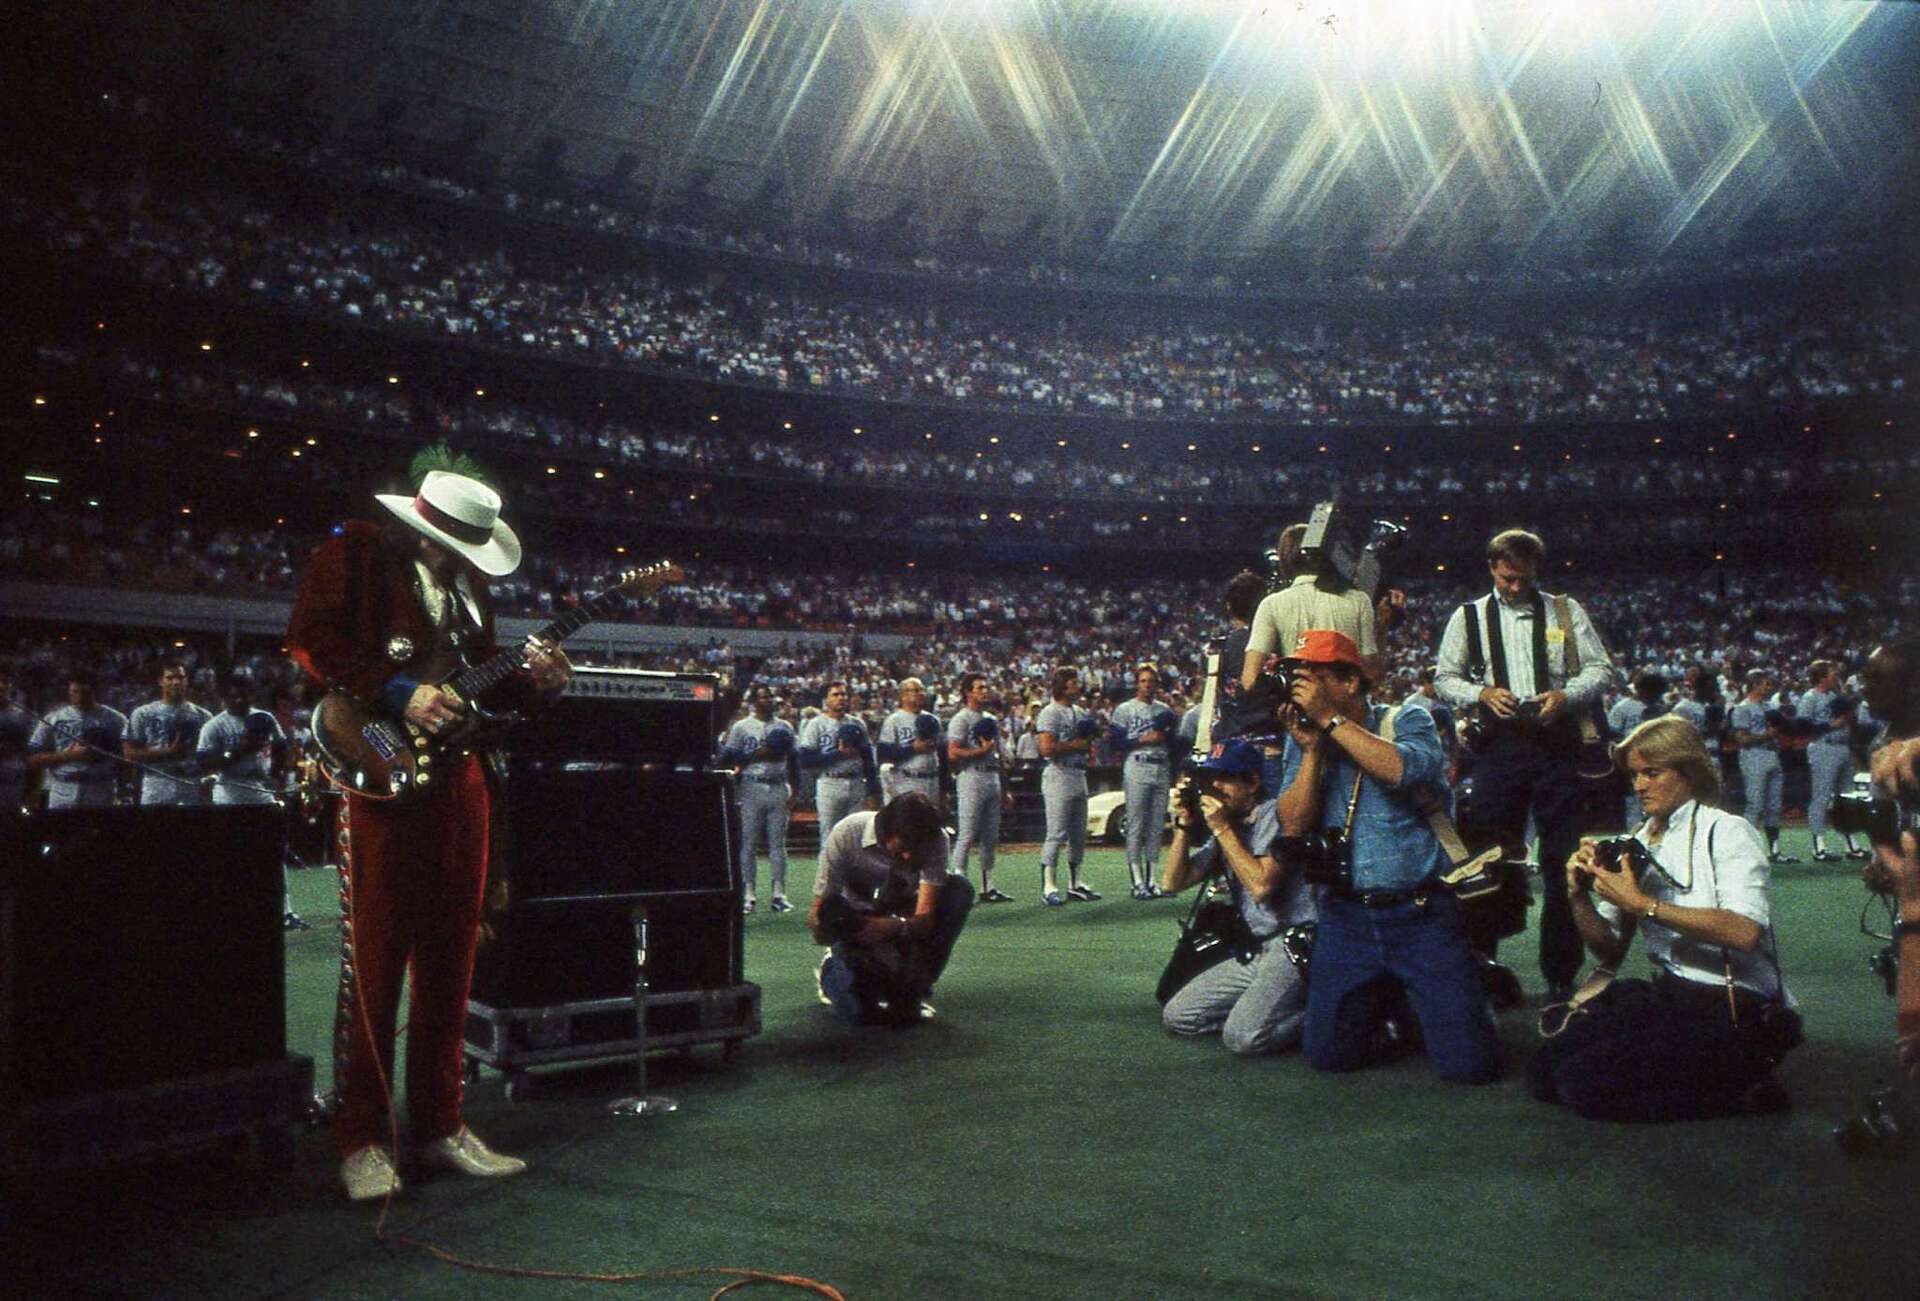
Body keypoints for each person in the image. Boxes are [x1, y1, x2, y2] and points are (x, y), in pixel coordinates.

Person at [286, 465, 571, 1203]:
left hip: (462, 774)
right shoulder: (355, 555)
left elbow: (477, 684)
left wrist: (533, 681)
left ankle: (441, 1123)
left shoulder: (471, 589)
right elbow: (310, 640)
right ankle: (363, 1136)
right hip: (380, 768)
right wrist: (396, 689)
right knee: (376, 958)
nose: (468, 556)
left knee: (453, 950)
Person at [1529, 717, 1798, 1121]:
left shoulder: (1727, 831)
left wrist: (1642, 904)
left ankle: (1742, 1093)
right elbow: (1607, 947)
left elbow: (1743, 932)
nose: (1638, 786)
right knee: (1542, 1073)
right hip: (1674, 993)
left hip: (1733, 1004)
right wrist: (1578, 896)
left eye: (1652, 773)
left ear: (1688, 771)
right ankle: (1716, 1077)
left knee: (1583, 1085)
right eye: (1635, 774)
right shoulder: (1641, 838)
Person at [1278, 630, 1500, 1084]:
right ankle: (1397, 1007)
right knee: (1327, 1056)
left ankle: (1464, 989)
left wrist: (1332, 723)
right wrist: (1312, 751)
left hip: (1420, 914)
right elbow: (1294, 823)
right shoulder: (1305, 736)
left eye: (1313, 676)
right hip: (1347, 917)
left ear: (1350, 683)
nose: (1301, 687)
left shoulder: (1407, 718)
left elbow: (1402, 771)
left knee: (1470, 1067)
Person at [1433, 527, 1615, 1004]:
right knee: (1490, 859)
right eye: (1507, 578)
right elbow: (1445, 677)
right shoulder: (1469, 616)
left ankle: (1561, 973)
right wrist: (1482, 693)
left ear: (1537, 569)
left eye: (1523, 578)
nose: (1515, 587)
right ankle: (1485, 965)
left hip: (1559, 747)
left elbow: (1601, 669)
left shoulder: (1565, 610)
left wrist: (1566, 694)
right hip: (1498, 749)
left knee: (1562, 863)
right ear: (1492, 568)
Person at [1158, 738, 1314, 1055]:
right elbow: (1172, 883)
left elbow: (1262, 887)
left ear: (1253, 782)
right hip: (1256, 948)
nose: (1214, 787)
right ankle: (1264, 1010)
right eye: (1209, 779)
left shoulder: (1275, 814)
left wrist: (1221, 829)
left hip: (1294, 944)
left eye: (1225, 777)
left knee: (1243, 1037)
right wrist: (1183, 828)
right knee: (1179, 1016)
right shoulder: (1231, 825)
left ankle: (1328, 1013)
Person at [810, 793, 975, 1028]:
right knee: (859, 1014)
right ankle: (834, 969)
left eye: (917, 847)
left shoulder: (935, 839)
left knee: (959, 890)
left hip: (904, 917)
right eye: (904, 846)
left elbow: (925, 918)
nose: (909, 855)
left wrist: (896, 926)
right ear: (884, 832)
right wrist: (831, 927)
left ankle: (913, 987)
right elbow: (818, 911)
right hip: (857, 923)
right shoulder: (846, 833)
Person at [1239, 522, 1400, 693]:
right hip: (1346, 712)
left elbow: (1249, 680)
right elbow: (1371, 675)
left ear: (1284, 558)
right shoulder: (1358, 600)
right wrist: (1382, 630)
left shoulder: (1271, 604)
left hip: (1297, 707)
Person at [722, 684, 799, 915]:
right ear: (754, 702)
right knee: (748, 843)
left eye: (771, 696)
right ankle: (748, 894)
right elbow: (728, 758)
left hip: (778, 784)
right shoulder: (742, 727)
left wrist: (795, 790)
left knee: (778, 844)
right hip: (751, 785)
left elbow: (794, 759)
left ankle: (779, 894)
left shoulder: (784, 726)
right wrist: (756, 754)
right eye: (763, 697)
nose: (769, 700)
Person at [1109, 664, 1176, 899]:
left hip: (1161, 765)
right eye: (1143, 681)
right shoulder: (1125, 709)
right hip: (1137, 764)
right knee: (1136, 824)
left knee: (1157, 826)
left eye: (1151, 681)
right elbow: (1115, 743)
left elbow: (1175, 743)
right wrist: (1143, 738)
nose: (1148, 685)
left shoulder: (1165, 710)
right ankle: (1136, 881)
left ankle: (1152, 879)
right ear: (1137, 684)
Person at [1035, 666, 1099, 906]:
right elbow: (1047, 748)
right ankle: (1049, 885)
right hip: (1058, 773)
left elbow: (1088, 742)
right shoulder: (1050, 712)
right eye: (1073, 683)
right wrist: (1078, 745)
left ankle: (1075, 883)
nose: (1077, 686)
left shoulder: (1079, 711)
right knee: (1056, 832)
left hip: (1078, 773)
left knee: (1079, 834)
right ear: (1062, 685)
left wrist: (1088, 742)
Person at [947, 671, 1011, 902]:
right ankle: (958, 885)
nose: (985, 691)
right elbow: (953, 752)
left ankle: (988, 886)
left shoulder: (990, 719)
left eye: (986, 687)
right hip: (971, 775)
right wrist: (980, 752)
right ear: (968, 692)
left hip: (991, 775)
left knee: (991, 835)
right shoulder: (961, 718)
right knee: (967, 833)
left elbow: (998, 754)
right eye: (980, 688)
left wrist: (1005, 786)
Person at [1799, 660, 1869, 861]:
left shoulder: (1836, 697)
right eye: (1831, 674)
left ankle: (1851, 845)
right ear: (1821, 677)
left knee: (1846, 798)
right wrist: (1831, 725)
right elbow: (1803, 727)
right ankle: (1818, 847)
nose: (1835, 677)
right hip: (1823, 746)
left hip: (1842, 746)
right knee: (1821, 797)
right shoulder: (1809, 697)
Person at [27, 670, 128, 809]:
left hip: (101, 787)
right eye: (75, 691)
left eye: (85, 692)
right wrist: (68, 756)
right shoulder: (53, 719)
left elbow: (127, 759)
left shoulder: (116, 719)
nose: (80, 697)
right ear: (68, 691)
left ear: (95, 691)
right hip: (63, 788)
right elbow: (33, 759)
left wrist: (124, 790)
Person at [799, 681, 879, 845]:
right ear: (826, 700)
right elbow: (805, 760)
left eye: (843, 694)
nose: (841, 698)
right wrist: (838, 754)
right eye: (835, 695)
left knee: (856, 836)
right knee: (829, 837)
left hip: (856, 782)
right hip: (830, 782)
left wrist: (872, 791)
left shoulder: (857, 723)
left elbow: (868, 761)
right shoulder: (816, 724)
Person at [125, 662, 214, 807]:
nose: (176, 682)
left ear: (187, 680)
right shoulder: (143, 714)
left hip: (191, 782)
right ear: (160, 681)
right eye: (170, 677)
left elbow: (212, 755)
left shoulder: (203, 716)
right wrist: (167, 752)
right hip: (156, 782)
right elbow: (129, 753)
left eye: (180, 677)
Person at [1728, 670, 1795, 864]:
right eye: (1765, 684)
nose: (1768, 687)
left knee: (1774, 805)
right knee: (1755, 804)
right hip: (1753, 755)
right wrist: (1768, 735)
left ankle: (1774, 850)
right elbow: (1741, 739)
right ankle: (1746, 851)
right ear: (1755, 685)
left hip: (1772, 754)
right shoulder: (1742, 708)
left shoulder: (1770, 707)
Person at [875, 677, 942, 807]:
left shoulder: (933, 720)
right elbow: (883, 755)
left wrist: (945, 787)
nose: (921, 693)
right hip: (907, 780)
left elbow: (942, 754)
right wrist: (913, 749)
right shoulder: (894, 720)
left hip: (933, 779)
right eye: (915, 690)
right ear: (903, 696)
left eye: (922, 690)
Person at [0, 663, 37, 813]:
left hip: (13, 784)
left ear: (11, 685)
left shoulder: (24, 716)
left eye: (5, 681)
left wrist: (32, 794)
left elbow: (34, 755)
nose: (0, 686)